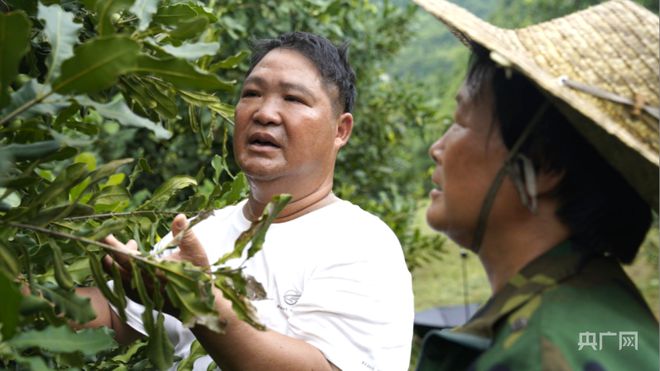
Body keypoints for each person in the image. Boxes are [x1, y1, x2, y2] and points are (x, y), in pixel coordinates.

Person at [79, 31, 414, 371]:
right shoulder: (202, 232)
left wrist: (201, 305)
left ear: (340, 130)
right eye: (251, 93)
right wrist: (26, 291)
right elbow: (113, 315)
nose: (265, 112)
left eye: (294, 99)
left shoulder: (362, 244)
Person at [412, 0, 659, 370]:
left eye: (461, 120)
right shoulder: (602, 312)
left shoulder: (538, 352)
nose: (438, 148)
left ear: (544, 163)